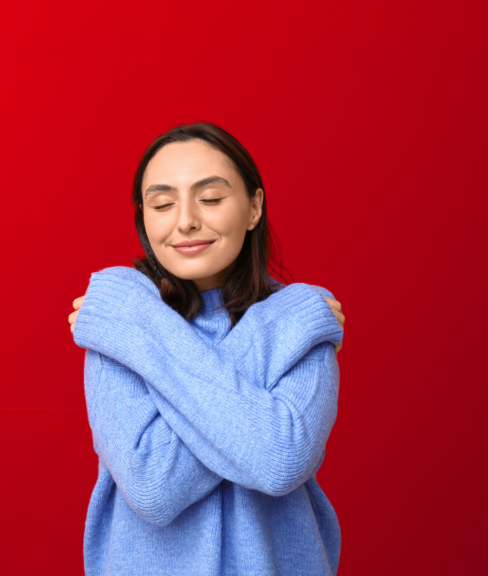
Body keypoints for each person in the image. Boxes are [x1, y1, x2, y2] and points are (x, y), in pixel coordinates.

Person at [67, 122, 347, 575]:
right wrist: (141, 320)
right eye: (162, 203)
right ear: (144, 217)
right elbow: (153, 486)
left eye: (211, 198)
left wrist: (280, 318)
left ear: (254, 207)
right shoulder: (119, 328)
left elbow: (281, 460)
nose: (185, 221)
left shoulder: (302, 320)